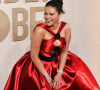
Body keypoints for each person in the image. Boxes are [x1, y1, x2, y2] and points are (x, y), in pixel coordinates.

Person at [4, 0, 100, 90]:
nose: (47, 17)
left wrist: (60, 72)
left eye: (51, 14)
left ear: (60, 15)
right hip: (40, 66)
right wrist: (47, 76)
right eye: (45, 13)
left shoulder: (66, 28)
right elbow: (34, 56)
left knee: (80, 77)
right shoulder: (39, 30)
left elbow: (64, 51)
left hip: (58, 64)